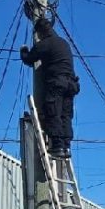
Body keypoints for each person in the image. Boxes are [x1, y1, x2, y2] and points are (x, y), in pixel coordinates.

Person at [20, 17, 80, 158]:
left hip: (57, 83)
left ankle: (57, 146)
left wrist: (23, 50)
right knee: (65, 115)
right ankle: (66, 146)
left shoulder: (45, 44)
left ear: (41, 32)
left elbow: (29, 59)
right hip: (71, 84)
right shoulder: (63, 43)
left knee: (53, 112)